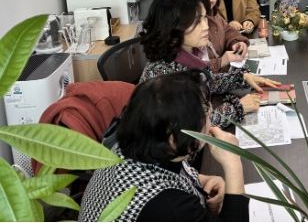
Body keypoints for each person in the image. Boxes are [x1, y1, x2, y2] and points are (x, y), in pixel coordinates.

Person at [79, 71, 249, 221]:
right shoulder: (169, 206)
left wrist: (202, 180)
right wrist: (233, 163)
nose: (209, 115)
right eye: (205, 112)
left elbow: (170, 172)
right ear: (173, 137)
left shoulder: (138, 143)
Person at [139, 0, 279, 127]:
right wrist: (238, 108)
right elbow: (191, 128)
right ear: (173, 27)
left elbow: (207, 82)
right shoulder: (162, 75)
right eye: (196, 21)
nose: (206, 26)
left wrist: (242, 78)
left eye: (204, 18)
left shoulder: (188, 53)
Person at [179, 0, 249, 72]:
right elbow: (189, 67)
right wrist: (221, 61)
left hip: (219, 77)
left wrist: (236, 42)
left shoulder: (213, 13)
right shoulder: (184, 21)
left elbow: (227, 31)